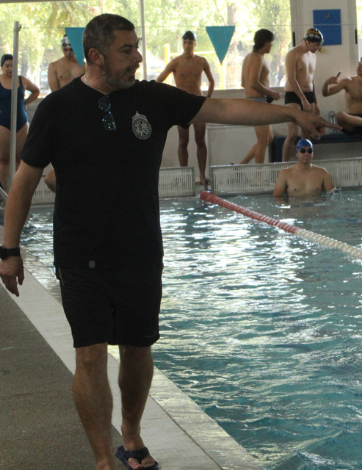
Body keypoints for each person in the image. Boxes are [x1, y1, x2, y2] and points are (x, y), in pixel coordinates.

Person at [0, 14, 333, 470]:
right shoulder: (59, 107)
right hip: (81, 252)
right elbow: (24, 180)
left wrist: (290, 112)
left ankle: (132, 435)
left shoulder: (151, 99)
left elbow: (226, 110)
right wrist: (9, 249)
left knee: (138, 350)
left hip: (140, 249)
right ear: (95, 56)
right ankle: (103, 459)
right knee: (91, 354)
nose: (138, 56)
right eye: (126, 50)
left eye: (137, 47)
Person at [156, 31, 214, 183]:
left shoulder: (202, 61)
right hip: (181, 104)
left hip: (199, 103)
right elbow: (159, 80)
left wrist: (207, 98)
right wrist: (168, 97)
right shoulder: (176, 62)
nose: (187, 45)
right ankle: (184, 176)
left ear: (195, 44)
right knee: (183, 141)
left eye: (190, 42)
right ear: (183, 44)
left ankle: (202, 175)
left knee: (200, 140)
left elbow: (211, 81)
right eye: (185, 42)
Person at [239, 29, 282, 165]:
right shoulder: (256, 58)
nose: (272, 46)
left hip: (257, 101)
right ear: (266, 42)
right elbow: (252, 83)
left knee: (269, 138)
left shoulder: (249, 57)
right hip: (257, 102)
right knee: (263, 141)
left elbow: (243, 83)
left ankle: (242, 165)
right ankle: (259, 178)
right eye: (271, 43)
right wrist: (270, 93)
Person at [0, 54, 39, 191]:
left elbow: (36, 91)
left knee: (20, 159)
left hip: (21, 122)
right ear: (2, 67)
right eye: (7, 66)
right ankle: (5, 192)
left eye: (12, 66)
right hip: (3, 123)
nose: (10, 69)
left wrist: (25, 103)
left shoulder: (22, 80)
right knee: (4, 160)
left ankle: (17, 190)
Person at [282, 28, 322, 161]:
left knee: (307, 132)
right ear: (308, 42)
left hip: (309, 95)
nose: (318, 47)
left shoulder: (313, 56)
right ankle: (284, 165)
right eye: (316, 44)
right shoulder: (293, 54)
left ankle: (306, 166)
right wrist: (302, 99)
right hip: (293, 95)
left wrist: (315, 103)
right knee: (293, 133)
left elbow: (312, 80)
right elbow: (291, 79)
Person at [321, 59, 362, 135]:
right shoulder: (347, 81)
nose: (359, 67)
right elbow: (326, 94)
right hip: (351, 121)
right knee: (340, 115)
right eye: (359, 64)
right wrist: (326, 84)